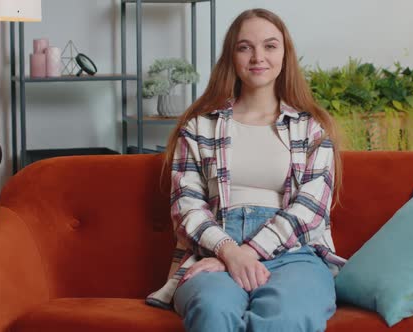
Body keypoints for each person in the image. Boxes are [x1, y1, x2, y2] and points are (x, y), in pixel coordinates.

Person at [146, 8, 346, 332]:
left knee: (287, 317)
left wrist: (246, 253)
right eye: (245, 47)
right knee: (212, 310)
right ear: (231, 56)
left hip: (294, 253)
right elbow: (186, 207)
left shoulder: (312, 129)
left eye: (270, 46)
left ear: (285, 54)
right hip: (213, 250)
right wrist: (228, 252)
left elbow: (311, 211)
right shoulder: (198, 127)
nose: (258, 57)